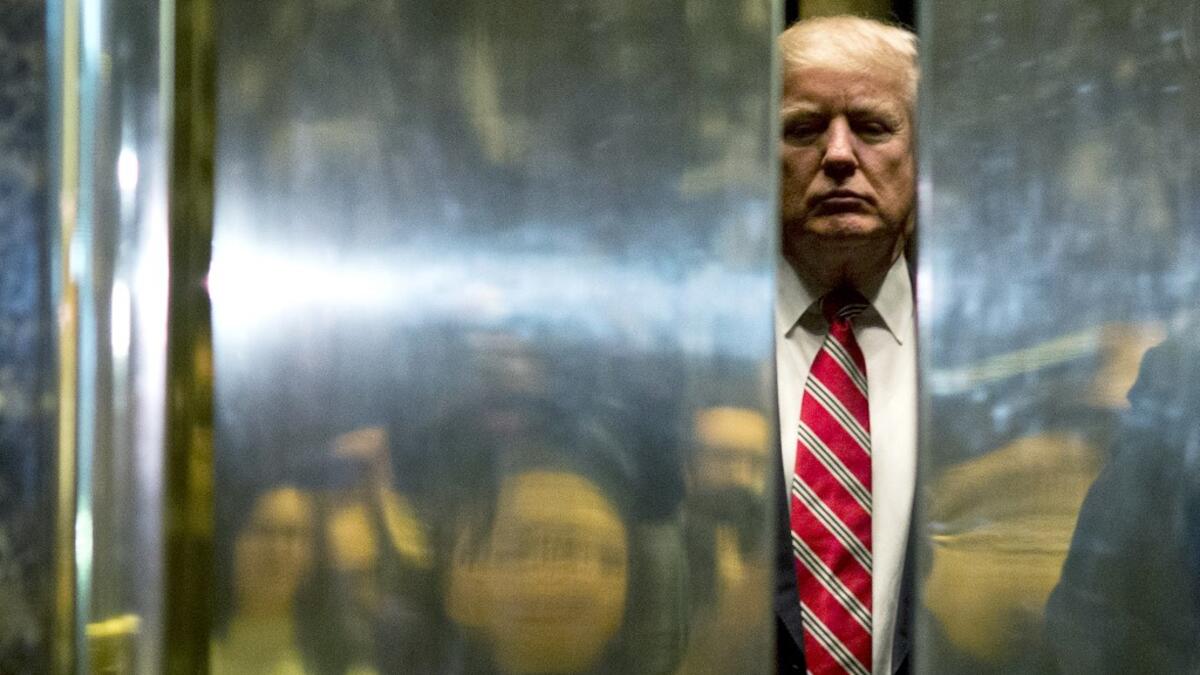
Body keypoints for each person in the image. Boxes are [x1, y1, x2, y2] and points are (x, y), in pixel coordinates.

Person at [773, 16, 918, 675]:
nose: (837, 154)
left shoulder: (996, 362)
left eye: (871, 126)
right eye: (802, 128)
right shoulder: (688, 358)